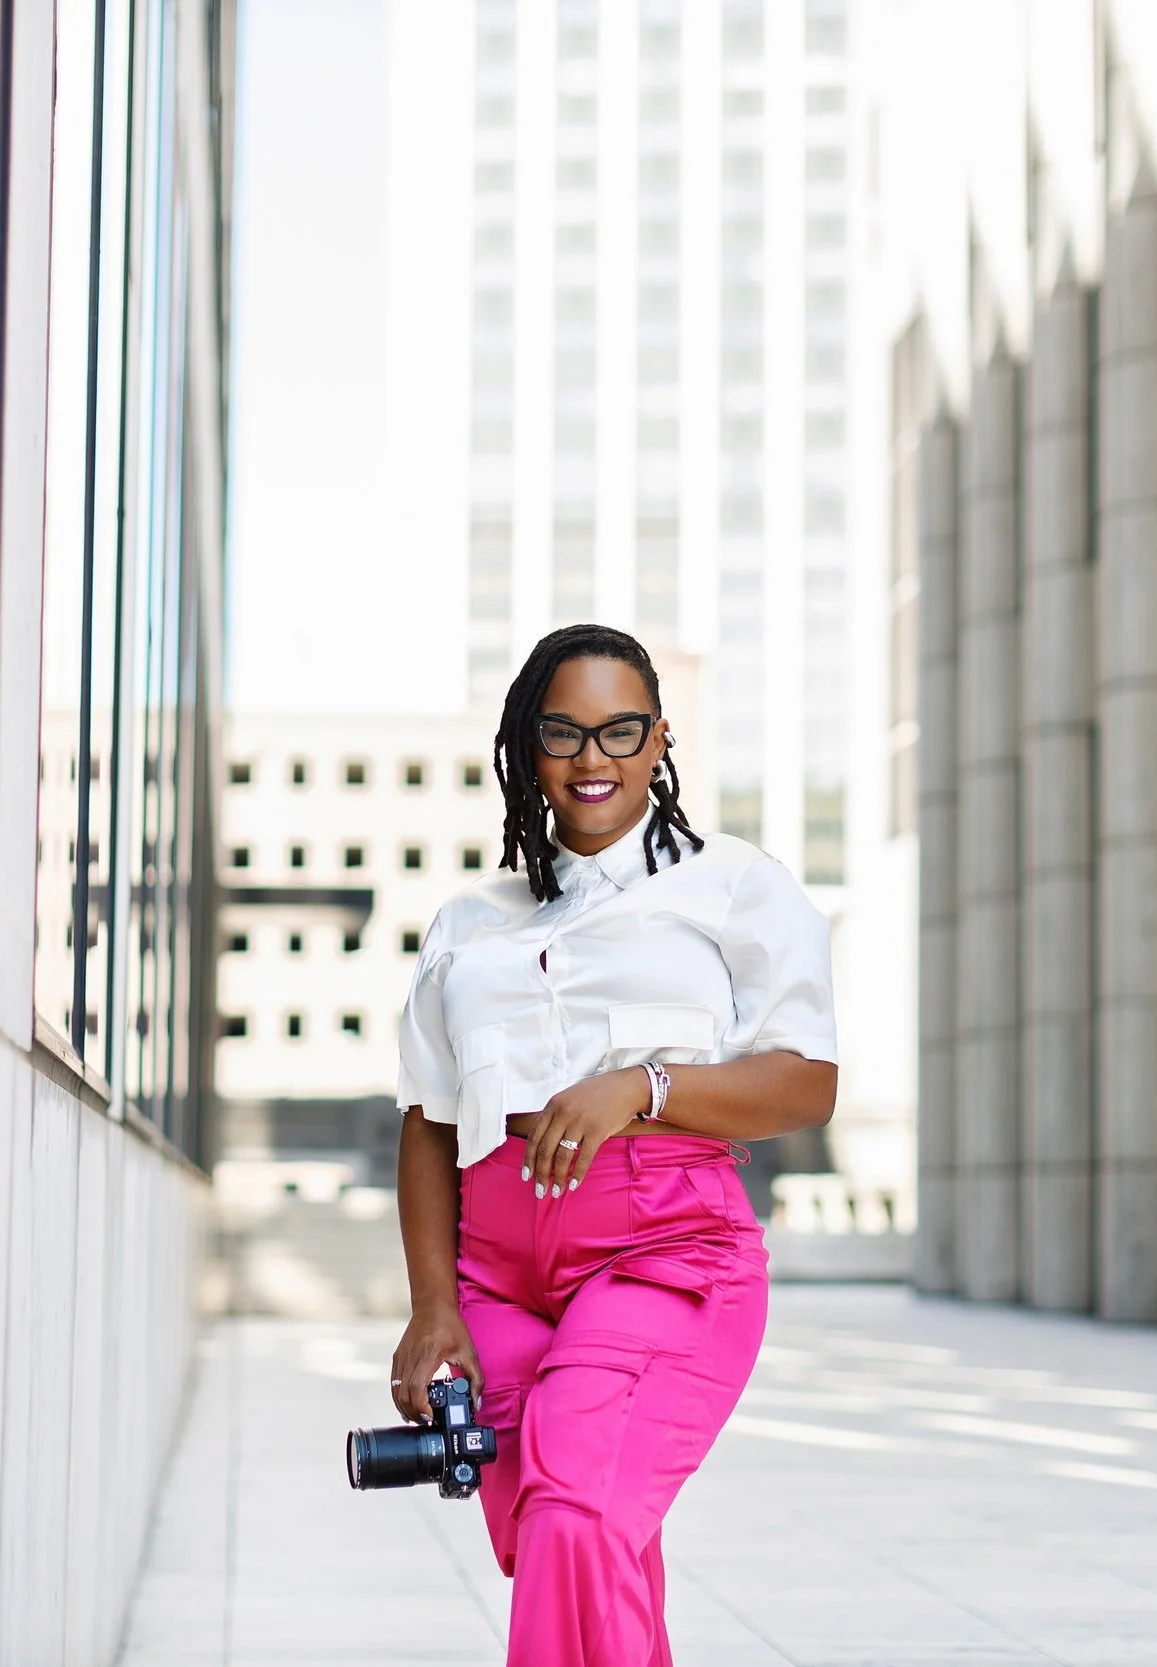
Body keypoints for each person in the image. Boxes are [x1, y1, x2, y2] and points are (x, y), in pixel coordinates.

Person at [391, 623, 840, 1666]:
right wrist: (431, 1308)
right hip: (496, 1273)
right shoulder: (469, 918)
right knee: (569, 1539)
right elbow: (427, 1116)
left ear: (658, 740)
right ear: (526, 746)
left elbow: (807, 1081)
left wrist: (643, 1086)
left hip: (665, 1247)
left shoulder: (733, 884)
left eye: (619, 731)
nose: (592, 758)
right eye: (563, 732)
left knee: (577, 1515)